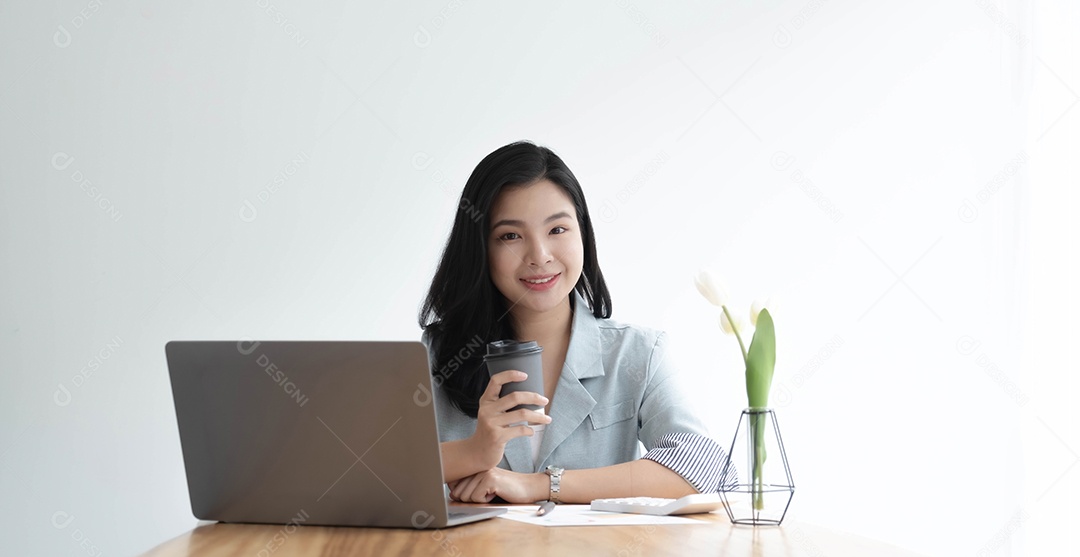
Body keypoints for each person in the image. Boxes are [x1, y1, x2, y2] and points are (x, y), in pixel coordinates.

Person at [418, 140, 734, 504]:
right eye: (510, 236)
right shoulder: (436, 355)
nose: (539, 256)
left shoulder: (638, 354)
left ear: (583, 232)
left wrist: (540, 486)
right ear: (480, 250)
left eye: (557, 230)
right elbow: (364, 473)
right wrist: (473, 453)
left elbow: (707, 468)